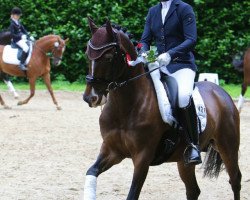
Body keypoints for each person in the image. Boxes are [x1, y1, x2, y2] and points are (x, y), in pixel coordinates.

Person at [140, 0, 201, 165]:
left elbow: (191, 39)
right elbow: (144, 40)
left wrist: (170, 54)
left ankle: (192, 145)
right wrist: (145, 53)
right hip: (160, 66)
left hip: (182, 65)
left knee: (183, 97)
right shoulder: (153, 11)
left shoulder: (184, 9)